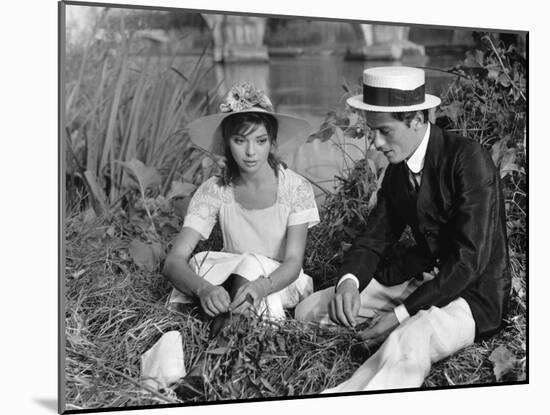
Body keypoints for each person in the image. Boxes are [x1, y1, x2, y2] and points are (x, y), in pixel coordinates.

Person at [295, 66, 510, 392]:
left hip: (471, 294)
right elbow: (374, 238)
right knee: (309, 310)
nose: (376, 143)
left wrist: (400, 315)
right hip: (424, 277)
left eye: (384, 131)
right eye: (372, 132)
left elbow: (469, 261)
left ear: (417, 120)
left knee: (407, 338)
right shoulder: (398, 170)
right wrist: (348, 283)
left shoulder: (469, 160)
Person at [163, 83, 319, 323]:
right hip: (232, 273)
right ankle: (228, 333)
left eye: (260, 140)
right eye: (239, 140)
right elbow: (174, 261)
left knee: (248, 266)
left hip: (278, 281)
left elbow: (293, 263)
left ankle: (228, 340)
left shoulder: (295, 188)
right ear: (227, 144)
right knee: (202, 266)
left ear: (272, 142)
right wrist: (204, 289)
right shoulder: (214, 190)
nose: (250, 152)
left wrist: (260, 288)